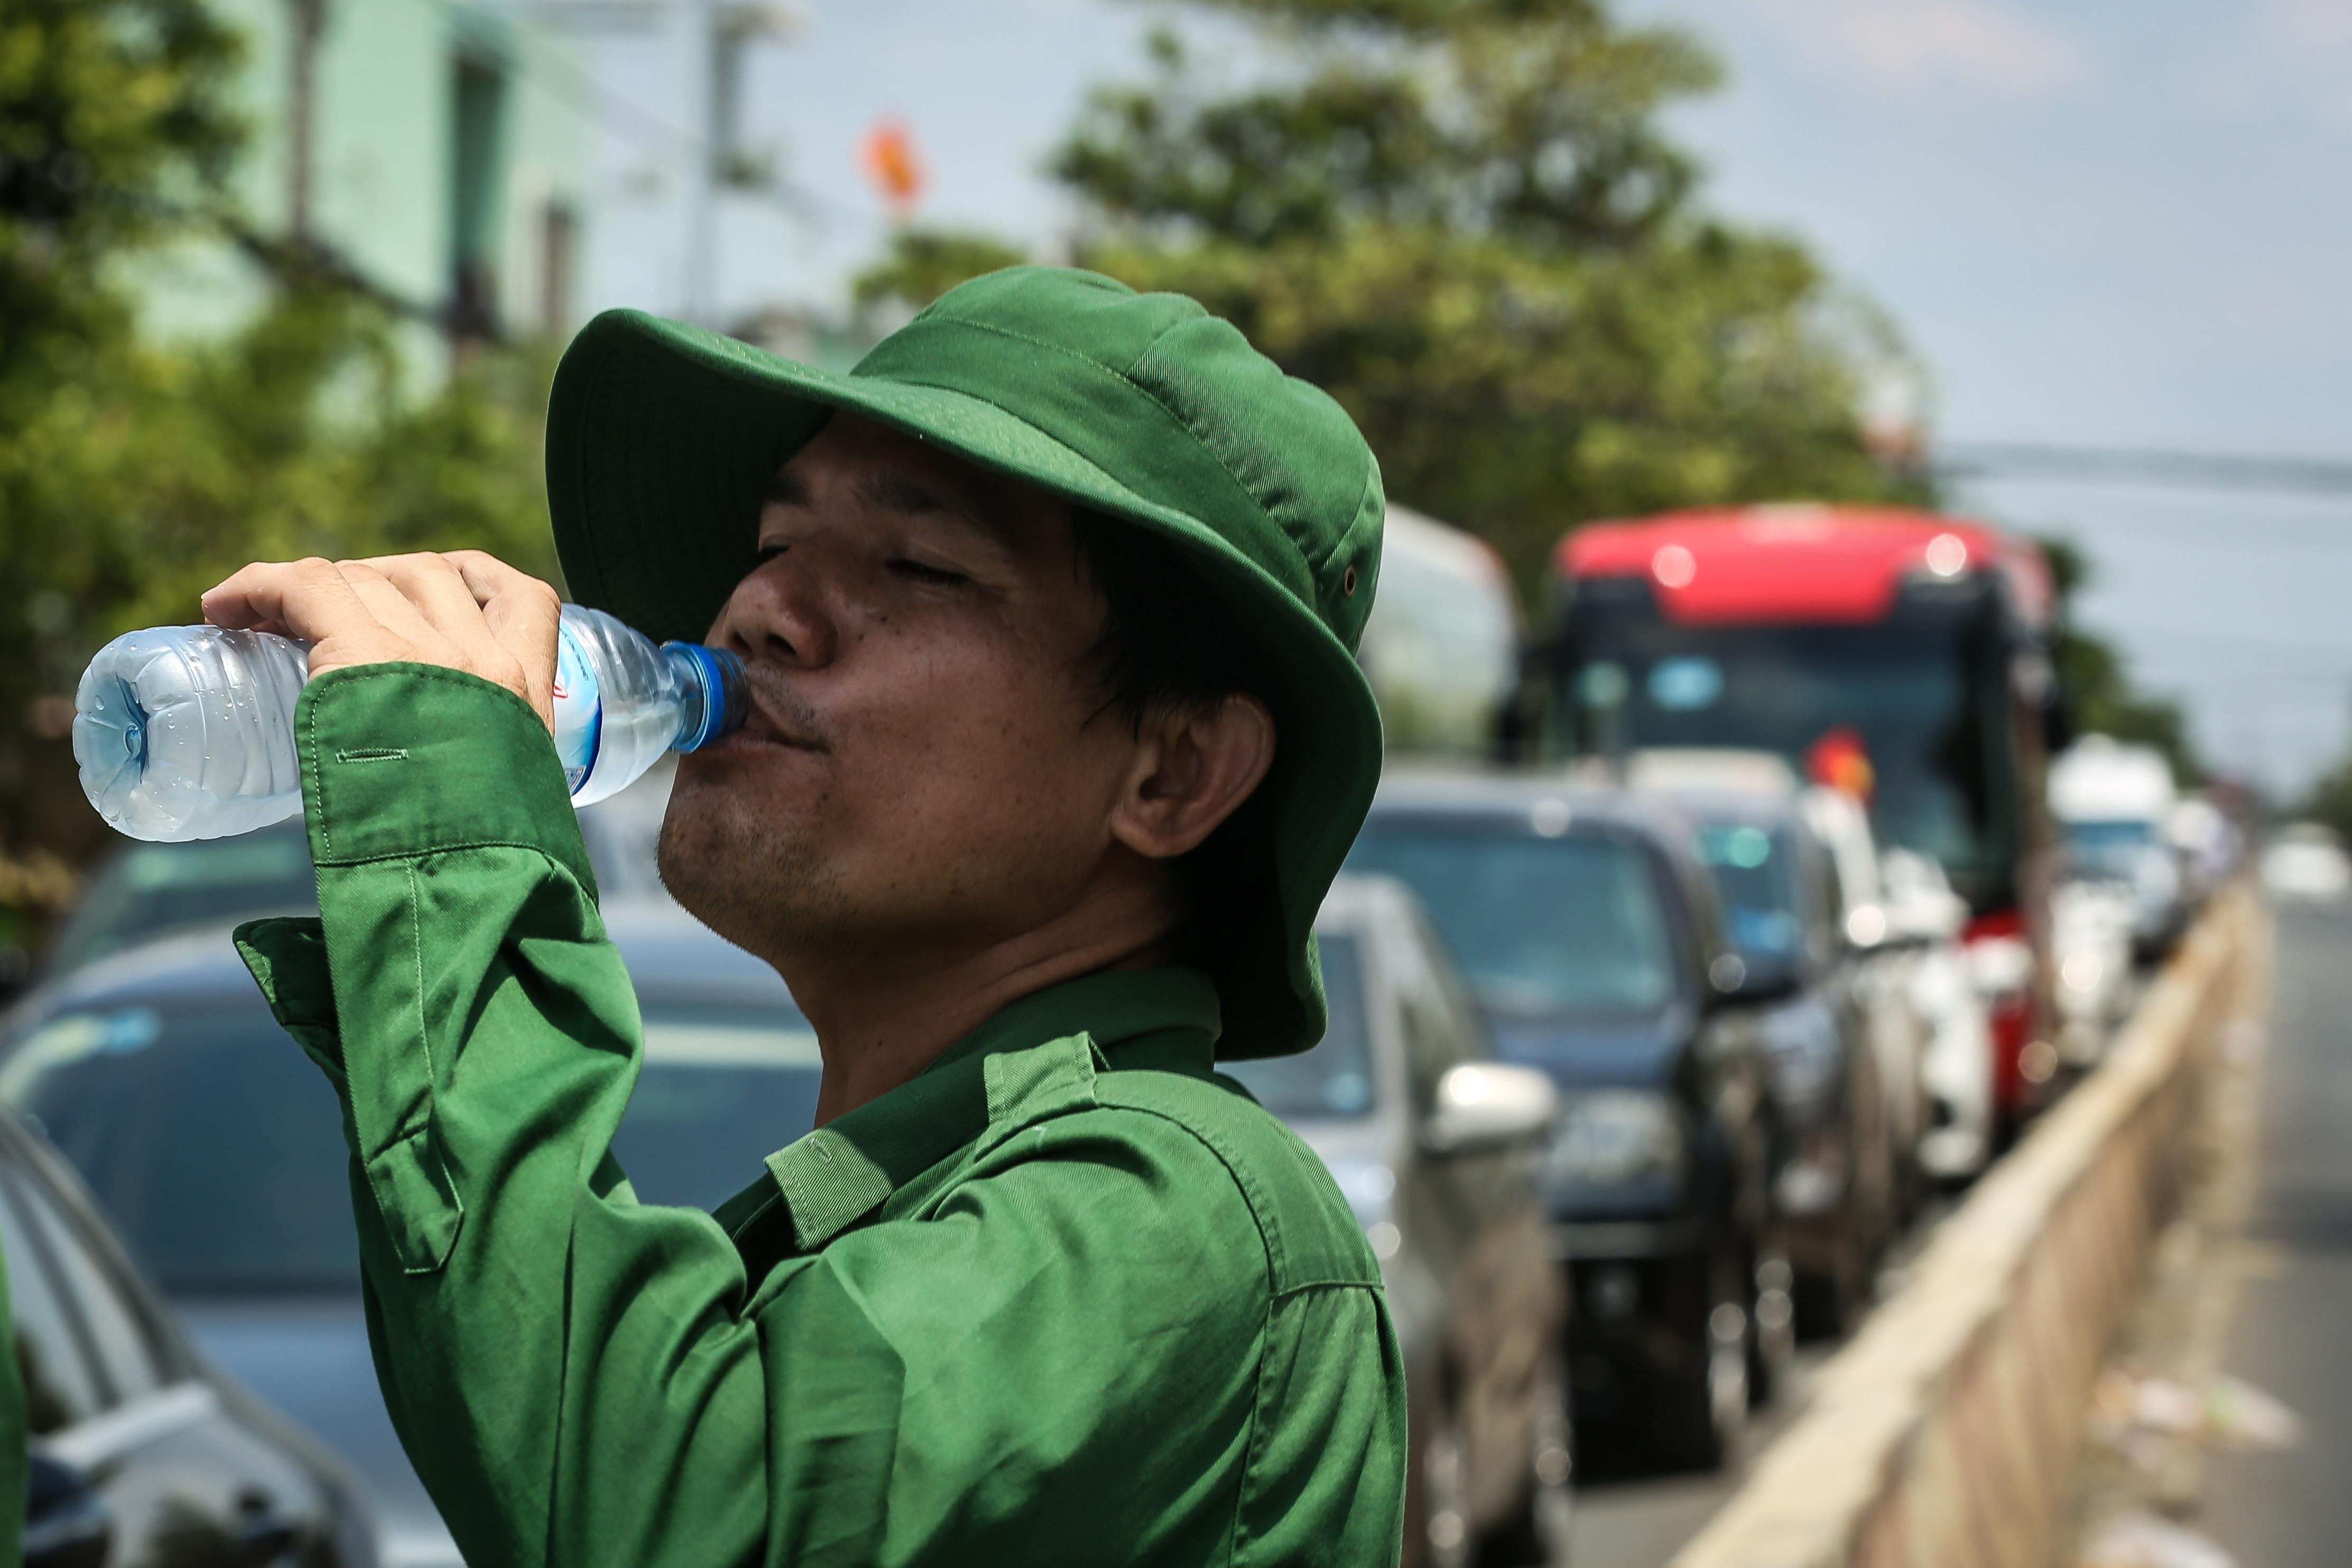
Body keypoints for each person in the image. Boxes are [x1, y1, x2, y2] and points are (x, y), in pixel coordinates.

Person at [214, 267, 1405, 1566]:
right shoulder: (906, 1200)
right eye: (775, 545)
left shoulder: (1178, 1206)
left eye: (919, 563)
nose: (753, 610)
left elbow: (666, 1512)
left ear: (1172, 772)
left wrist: (446, 819)